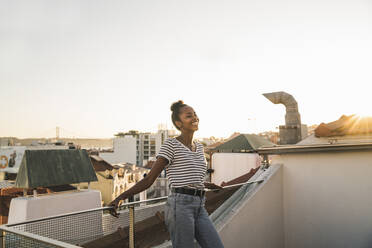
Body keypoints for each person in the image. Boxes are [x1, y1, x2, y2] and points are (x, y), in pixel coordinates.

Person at [109, 100, 224, 248]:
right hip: (180, 206)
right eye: (189, 116)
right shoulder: (171, 145)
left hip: (200, 205)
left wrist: (206, 184)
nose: (195, 118)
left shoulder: (199, 147)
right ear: (178, 123)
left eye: (195, 114)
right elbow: (150, 178)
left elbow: (188, 176)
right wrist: (120, 197)